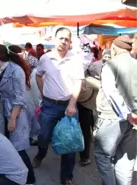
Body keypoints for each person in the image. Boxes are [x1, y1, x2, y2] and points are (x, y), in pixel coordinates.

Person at [34, 27, 84, 185]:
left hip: (69, 106)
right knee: (43, 136)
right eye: (61, 38)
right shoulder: (45, 59)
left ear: (70, 42)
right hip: (49, 105)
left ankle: (66, 176)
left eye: (66, 39)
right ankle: (41, 154)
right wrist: (43, 92)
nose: (63, 41)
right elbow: (38, 75)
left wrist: (72, 104)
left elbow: (79, 82)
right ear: (54, 40)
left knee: (69, 141)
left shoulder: (76, 59)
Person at [0, 44, 35, 184]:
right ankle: (15, 175)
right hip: (5, 110)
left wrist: (13, 119)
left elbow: (19, 98)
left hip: (15, 112)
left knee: (18, 147)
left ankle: (30, 179)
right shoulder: (2, 70)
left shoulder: (16, 70)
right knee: (9, 145)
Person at [94, 36, 137, 185]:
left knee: (102, 155)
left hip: (113, 118)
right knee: (125, 158)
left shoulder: (110, 65)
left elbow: (111, 92)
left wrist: (127, 114)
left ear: (113, 48)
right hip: (133, 120)